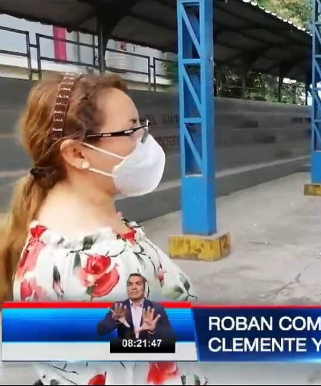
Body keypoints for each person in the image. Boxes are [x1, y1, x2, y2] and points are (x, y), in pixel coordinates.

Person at [0, 73, 207, 385]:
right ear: (77, 154)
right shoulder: (92, 270)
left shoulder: (78, 228)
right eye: (131, 130)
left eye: (143, 127)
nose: (144, 141)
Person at [97, 273, 174, 340]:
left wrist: (153, 330)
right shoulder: (119, 308)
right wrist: (115, 320)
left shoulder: (156, 309)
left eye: (138, 283)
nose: (133, 287)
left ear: (144, 287)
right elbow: (100, 330)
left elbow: (171, 336)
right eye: (130, 284)